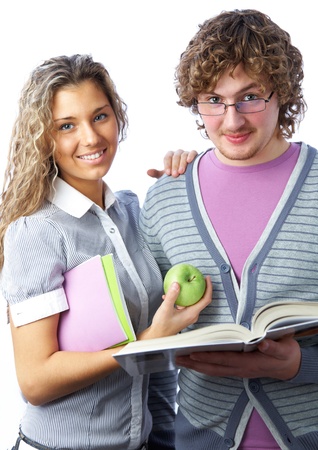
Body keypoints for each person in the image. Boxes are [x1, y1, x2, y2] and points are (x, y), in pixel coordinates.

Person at [0, 54, 212, 450]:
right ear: (45, 138)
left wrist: (192, 180)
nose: (91, 138)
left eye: (100, 116)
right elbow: (36, 381)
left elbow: (156, 370)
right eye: (67, 126)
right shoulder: (35, 232)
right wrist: (146, 342)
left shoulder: (132, 211)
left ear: (118, 117)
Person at [139, 9, 318, 450]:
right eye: (213, 100)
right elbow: (147, 348)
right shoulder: (166, 198)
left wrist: (300, 366)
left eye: (250, 96)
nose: (232, 120)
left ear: (283, 93)